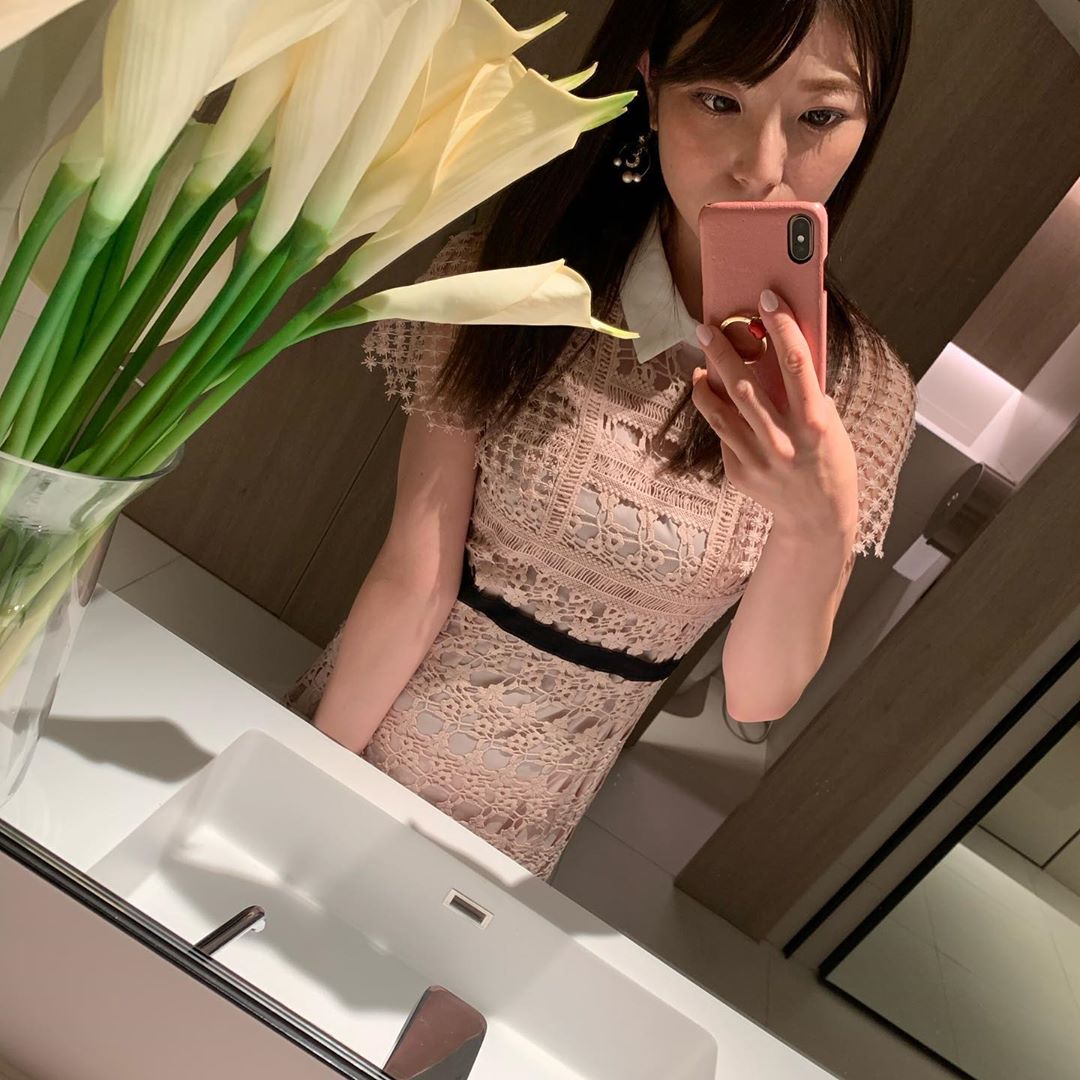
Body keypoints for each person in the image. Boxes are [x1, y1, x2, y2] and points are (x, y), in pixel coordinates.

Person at [286, 0, 919, 883]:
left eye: (819, 116)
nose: (764, 166)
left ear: (866, 123)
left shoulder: (864, 395)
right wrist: (311, 779)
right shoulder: (516, 275)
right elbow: (414, 573)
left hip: (521, 835)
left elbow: (754, 695)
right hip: (367, 720)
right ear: (651, 85)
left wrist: (820, 526)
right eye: (719, 100)